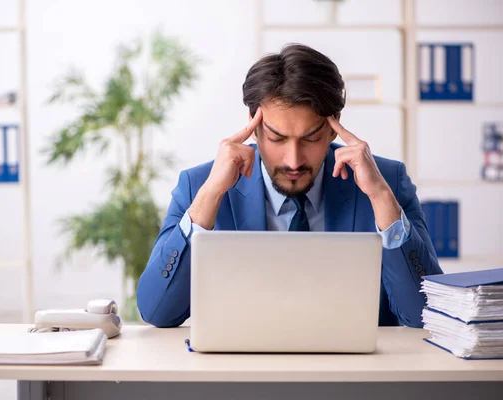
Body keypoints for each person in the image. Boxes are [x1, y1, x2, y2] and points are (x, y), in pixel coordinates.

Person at [136, 44, 442, 328]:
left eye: (309, 138)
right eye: (277, 138)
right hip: (240, 378)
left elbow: (425, 314)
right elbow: (157, 311)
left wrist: (380, 197)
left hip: (355, 379)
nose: (293, 160)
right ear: (253, 126)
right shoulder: (200, 186)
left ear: (334, 125)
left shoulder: (387, 182)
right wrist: (210, 196)